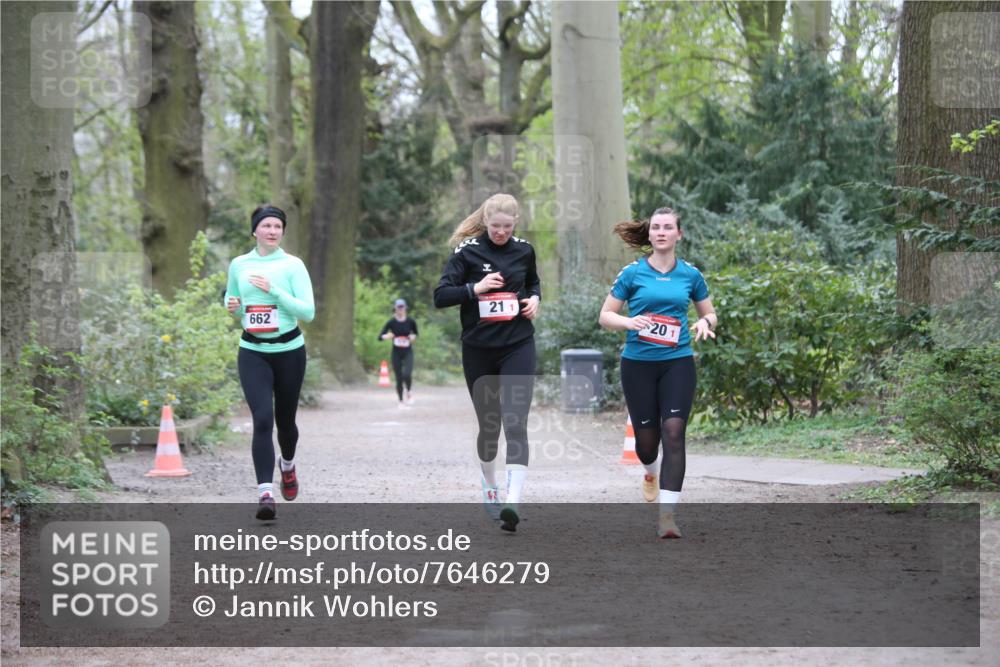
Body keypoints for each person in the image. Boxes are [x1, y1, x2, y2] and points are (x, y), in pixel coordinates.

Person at [598, 207, 717, 538]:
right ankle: (650, 471)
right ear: (649, 234)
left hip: (678, 361)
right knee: (647, 444)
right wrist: (628, 322)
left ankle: (667, 517)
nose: (661, 232)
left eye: (668, 227)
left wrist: (704, 322)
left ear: (679, 234)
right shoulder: (632, 273)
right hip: (638, 365)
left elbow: (710, 313)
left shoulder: (690, 274)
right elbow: (605, 315)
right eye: (656, 227)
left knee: (674, 432)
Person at [433, 193, 540, 532]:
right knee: (490, 427)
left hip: (518, 344)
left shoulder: (524, 250)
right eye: (496, 227)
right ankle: (491, 485)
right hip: (479, 349)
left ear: (516, 222)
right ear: (485, 222)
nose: (501, 233)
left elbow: (533, 282)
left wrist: (535, 299)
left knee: (516, 421)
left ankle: (513, 501)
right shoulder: (466, 252)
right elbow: (440, 296)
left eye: (507, 227)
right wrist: (475, 288)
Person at [225, 205, 315, 521]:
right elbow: (233, 301)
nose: (273, 231)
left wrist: (273, 290)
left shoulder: (293, 265)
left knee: (285, 421)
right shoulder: (239, 264)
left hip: (289, 351)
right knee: (262, 419)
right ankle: (265, 493)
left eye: (278, 226)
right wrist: (232, 306)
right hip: (252, 351)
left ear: (283, 232)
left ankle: (287, 465)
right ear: (255, 231)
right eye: (266, 226)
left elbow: (308, 312)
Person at [379, 298, 419, 407]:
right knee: (399, 377)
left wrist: (412, 337)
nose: (400, 310)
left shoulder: (410, 321)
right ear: (395, 309)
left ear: (405, 308)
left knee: (407, 374)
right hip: (396, 353)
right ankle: (401, 401)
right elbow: (380, 337)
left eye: (402, 307)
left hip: (408, 352)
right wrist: (387, 336)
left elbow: (416, 334)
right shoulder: (391, 322)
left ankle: (409, 391)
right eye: (398, 307)